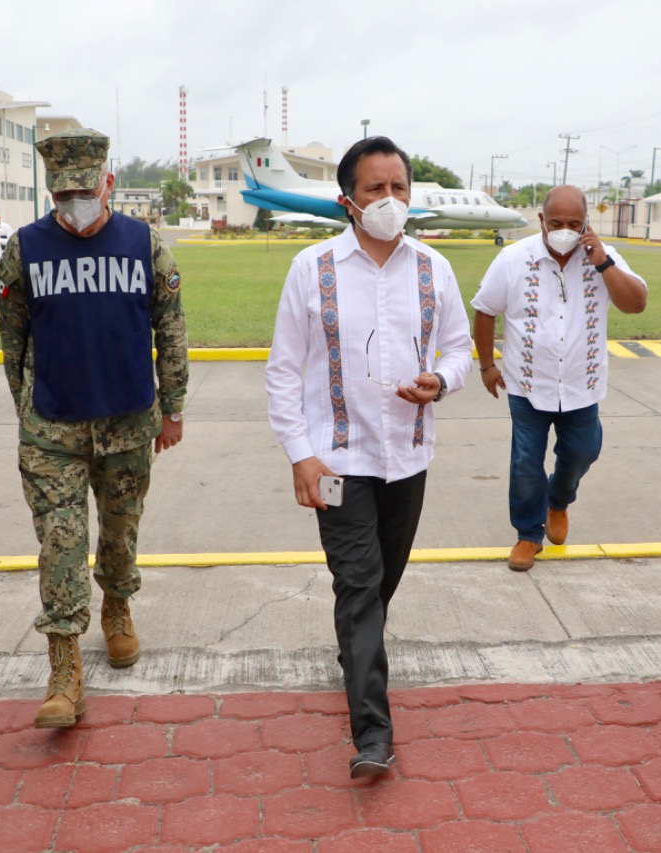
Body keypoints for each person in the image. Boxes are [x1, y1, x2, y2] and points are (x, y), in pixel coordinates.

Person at [265, 136, 471, 779]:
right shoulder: (313, 268)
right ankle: (373, 734)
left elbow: (460, 349)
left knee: (381, 584)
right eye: (375, 189)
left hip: (408, 455)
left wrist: (442, 380)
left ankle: (355, 657)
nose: (389, 200)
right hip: (338, 460)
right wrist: (301, 455)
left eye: (399, 188)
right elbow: (282, 372)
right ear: (348, 200)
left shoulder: (434, 268)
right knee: (357, 586)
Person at [0, 128, 188, 729]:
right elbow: (12, 339)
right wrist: (26, 411)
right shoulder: (25, 248)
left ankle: (118, 609)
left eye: (84, 189)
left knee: (120, 531)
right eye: (63, 193)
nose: (74, 202)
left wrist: (173, 406)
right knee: (60, 544)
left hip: (129, 421)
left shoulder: (145, 244)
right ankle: (63, 669)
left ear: (107, 183)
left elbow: (171, 327)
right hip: (53, 425)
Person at [472, 186, 647, 572]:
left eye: (573, 223)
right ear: (541, 221)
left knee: (585, 451)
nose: (564, 230)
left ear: (586, 223)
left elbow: (635, 304)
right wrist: (487, 365)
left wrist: (603, 262)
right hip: (527, 384)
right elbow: (485, 310)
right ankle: (528, 534)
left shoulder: (604, 258)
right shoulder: (514, 259)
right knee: (524, 462)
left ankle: (559, 500)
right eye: (556, 223)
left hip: (581, 384)